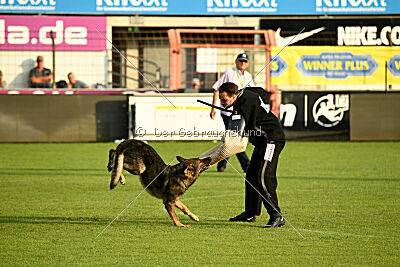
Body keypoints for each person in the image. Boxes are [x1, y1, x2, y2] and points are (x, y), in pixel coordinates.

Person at [218, 82, 286, 228]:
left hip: (271, 140)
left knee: (263, 176)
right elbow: (261, 92)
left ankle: (276, 215)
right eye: (220, 100)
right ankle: (250, 214)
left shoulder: (246, 103)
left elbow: (243, 133)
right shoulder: (244, 94)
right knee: (251, 176)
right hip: (262, 142)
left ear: (234, 95)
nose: (222, 103)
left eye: (224, 100)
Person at [210, 53, 254, 172]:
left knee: (233, 140)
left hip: (242, 112)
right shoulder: (229, 73)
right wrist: (213, 107)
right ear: (236, 61)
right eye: (241, 61)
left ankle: (222, 164)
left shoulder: (248, 76)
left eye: (245, 61)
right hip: (228, 112)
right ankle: (246, 165)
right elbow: (216, 89)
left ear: (248, 63)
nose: (243, 63)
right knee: (234, 140)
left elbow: (252, 93)